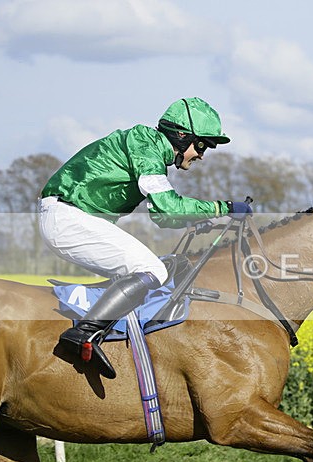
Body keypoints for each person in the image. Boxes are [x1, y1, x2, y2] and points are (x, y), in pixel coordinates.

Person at [39, 97, 253, 379]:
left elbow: (163, 218)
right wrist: (222, 208)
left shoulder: (149, 149)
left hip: (74, 216)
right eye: (201, 145)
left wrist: (203, 218)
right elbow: (170, 207)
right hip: (69, 218)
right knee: (152, 269)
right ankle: (83, 333)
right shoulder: (145, 146)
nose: (202, 154)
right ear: (181, 136)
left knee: (157, 269)